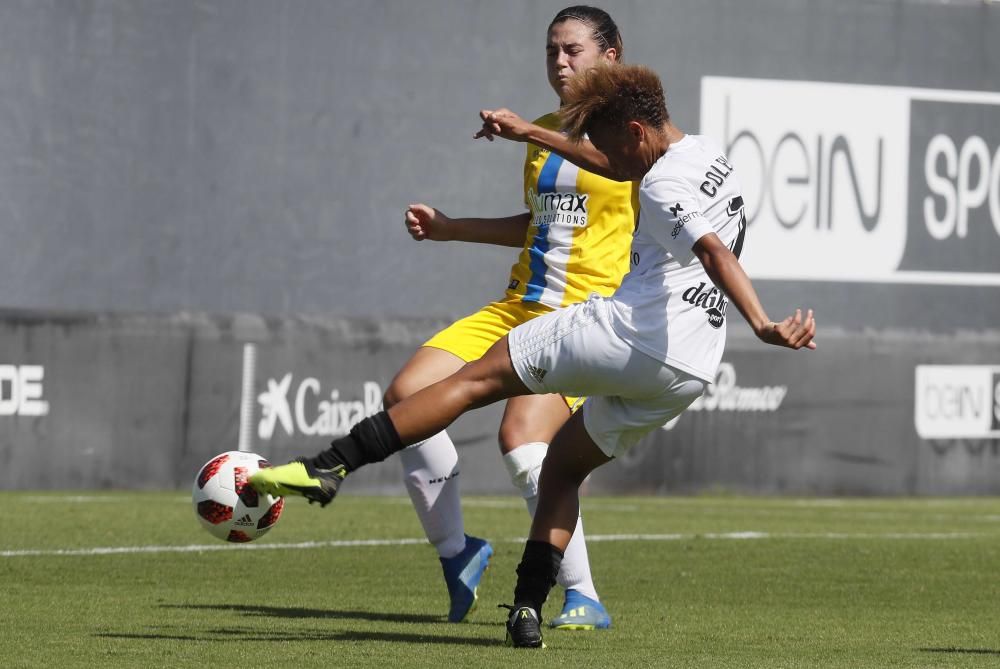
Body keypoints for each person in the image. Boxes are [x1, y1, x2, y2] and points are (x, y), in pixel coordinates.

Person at [252, 62, 817, 647]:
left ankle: (330, 465)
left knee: (476, 381)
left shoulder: (658, 182)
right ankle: (526, 611)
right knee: (562, 468)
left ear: (635, 131)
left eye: (611, 150)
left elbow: (713, 252)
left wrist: (764, 324)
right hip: (688, 368)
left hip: (626, 333)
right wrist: (532, 135)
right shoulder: (706, 155)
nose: (612, 165)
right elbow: (669, 206)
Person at [299, 7, 635, 629]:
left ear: (611, 55)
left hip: (584, 319)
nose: (559, 63)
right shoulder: (540, 133)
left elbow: (656, 208)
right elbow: (539, 226)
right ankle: (459, 555)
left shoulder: (635, 136)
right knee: (406, 397)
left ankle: (583, 593)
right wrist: (453, 229)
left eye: (573, 50)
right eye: (551, 51)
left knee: (524, 443)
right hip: (516, 307)